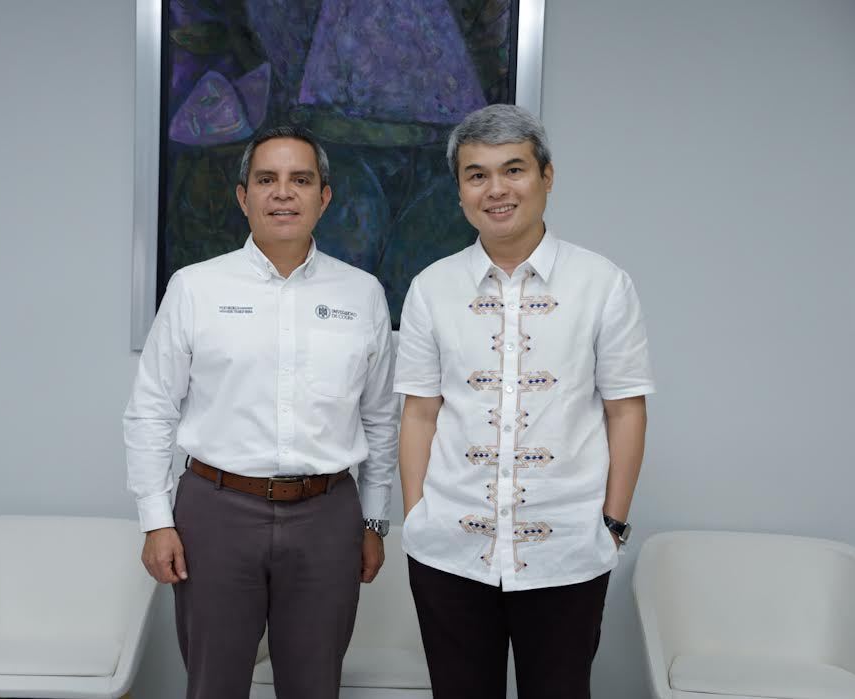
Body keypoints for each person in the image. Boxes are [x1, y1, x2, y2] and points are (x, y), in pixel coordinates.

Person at [124, 126, 397, 699]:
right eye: (267, 179)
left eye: (301, 179)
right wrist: (156, 519)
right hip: (216, 513)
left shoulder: (363, 294)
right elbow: (152, 409)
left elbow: (380, 418)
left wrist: (374, 521)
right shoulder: (195, 288)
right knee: (214, 686)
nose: (283, 193)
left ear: (324, 196)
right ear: (242, 196)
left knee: (315, 686)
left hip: (327, 516)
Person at [394, 104, 655, 698]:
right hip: (451, 550)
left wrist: (612, 524)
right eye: (476, 175)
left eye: (513, 170)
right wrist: (418, 516)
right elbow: (420, 412)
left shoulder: (602, 284)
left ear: (546, 176)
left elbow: (625, 409)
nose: (496, 190)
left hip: (566, 547)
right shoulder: (432, 288)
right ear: (460, 189)